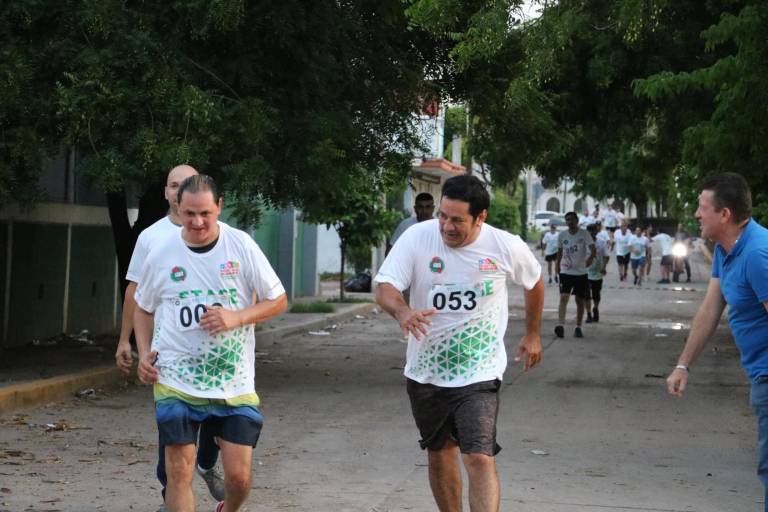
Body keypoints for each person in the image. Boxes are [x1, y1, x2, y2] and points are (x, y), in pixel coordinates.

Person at [374, 174, 544, 512]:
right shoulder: (418, 238)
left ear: (480, 217)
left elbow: (534, 282)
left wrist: (533, 333)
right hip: (426, 369)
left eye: (457, 220)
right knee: (440, 453)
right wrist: (403, 311)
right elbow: (385, 287)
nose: (446, 227)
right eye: (443, 216)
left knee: (479, 456)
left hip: (479, 371)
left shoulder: (504, 245)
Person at [134, 175, 288, 512]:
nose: (198, 222)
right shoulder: (161, 253)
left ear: (219, 206)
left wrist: (236, 317)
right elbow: (143, 307)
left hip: (232, 382)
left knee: (239, 479)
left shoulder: (241, 245)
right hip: (175, 379)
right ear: (178, 207)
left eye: (205, 213)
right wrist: (144, 354)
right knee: (178, 472)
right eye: (190, 214)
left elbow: (277, 300)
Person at [114, 165, 225, 510]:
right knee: (173, 430)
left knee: (214, 424)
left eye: (188, 185)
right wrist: (125, 341)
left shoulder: (222, 235)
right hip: (169, 353)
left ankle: (207, 463)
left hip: (213, 354)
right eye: (175, 186)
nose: (181, 192)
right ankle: (170, 497)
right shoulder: (151, 237)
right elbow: (135, 291)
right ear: (167, 192)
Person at [666, 173, 768, 505]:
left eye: (702, 206)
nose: (697, 213)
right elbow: (710, 309)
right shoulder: (727, 250)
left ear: (724, 214)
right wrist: (683, 365)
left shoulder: (757, 255)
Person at [555, 211, 595, 338]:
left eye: (572, 219)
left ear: (577, 221)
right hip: (566, 271)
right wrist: (557, 266)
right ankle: (561, 325)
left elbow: (593, 249)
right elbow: (559, 252)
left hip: (581, 273)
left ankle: (578, 326)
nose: (570, 222)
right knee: (563, 298)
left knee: (579, 300)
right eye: (567, 220)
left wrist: (590, 259)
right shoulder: (562, 235)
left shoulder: (584, 234)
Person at [585, 224, 610, 323]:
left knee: (596, 294)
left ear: (596, 232)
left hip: (597, 273)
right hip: (585, 272)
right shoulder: (583, 243)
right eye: (589, 232)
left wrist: (604, 267)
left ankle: (595, 308)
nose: (591, 234)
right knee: (586, 295)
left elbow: (606, 256)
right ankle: (588, 314)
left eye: (593, 231)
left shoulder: (601, 242)